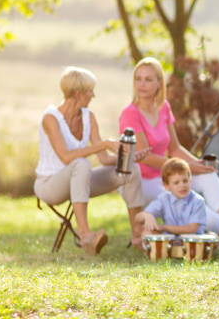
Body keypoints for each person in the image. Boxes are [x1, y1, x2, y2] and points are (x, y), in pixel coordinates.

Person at [119, 57, 219, 253]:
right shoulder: (130, 113)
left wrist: (198, 164)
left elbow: (175, 148)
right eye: (138, 79)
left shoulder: (163, 108)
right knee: (190, 201)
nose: (142, 84)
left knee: (208, 175)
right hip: (142, 182)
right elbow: (145, 156)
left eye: (148, 79)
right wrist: (186, 168)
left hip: (167, 176)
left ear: (159, 83)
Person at [34, 66, 147, 254]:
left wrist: (128, 158)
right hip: (49, 185)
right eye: (90, 91)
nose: (93, 95)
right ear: (79, 94)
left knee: (131, 170)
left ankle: (138, 236)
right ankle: (85, 235)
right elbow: (65, 157)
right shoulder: (50, 118)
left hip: (79, 181)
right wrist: (104, 144)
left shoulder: (88, 117)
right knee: (80, 163)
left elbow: (103, 158)